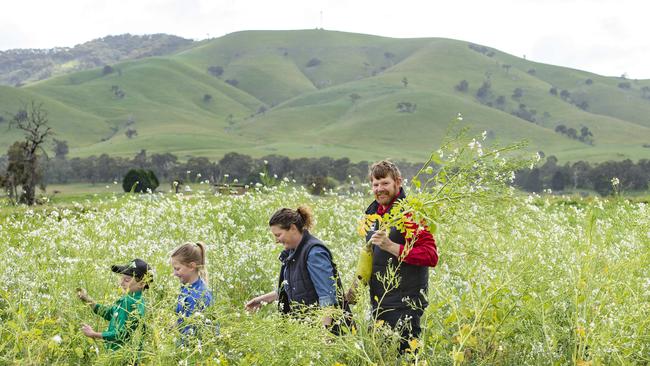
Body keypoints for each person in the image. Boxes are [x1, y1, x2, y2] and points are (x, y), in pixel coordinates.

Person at [350, 160, 438, 353]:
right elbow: (371, 260)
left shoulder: (411, 214)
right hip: (379, 305)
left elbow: (431, 256)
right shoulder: (372, 215)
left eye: (385, 183)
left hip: (405, 306)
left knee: (406, 358)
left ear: (398, 182)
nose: (379, 189)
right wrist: (355, 289)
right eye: (375, 184)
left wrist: (391, 246)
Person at [245, 206, 349, 332]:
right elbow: (294, 288)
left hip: (326, 330)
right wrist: (260, 300)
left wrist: (326, 334)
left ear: (293, 228)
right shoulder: (292, 253)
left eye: (278, 235)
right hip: (306, 329)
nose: (276, 240)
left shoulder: (314, 253)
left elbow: (327, 297)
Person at [77, 258, 152, 351]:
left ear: (142, 284)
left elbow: (122, 334)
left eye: (127, 280)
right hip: (118, 354)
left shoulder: (133, 303)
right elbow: (109, 313)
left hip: (125, 357)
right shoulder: (127, 299)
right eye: (121, 278)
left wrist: (94, 334)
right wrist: (87, 299)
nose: (121, 283)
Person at [170, 242, 214, 336]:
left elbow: (193, 333)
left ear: (191, 266)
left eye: (177, 269)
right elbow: (183, 319)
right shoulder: (187, 287)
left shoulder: (197, 296)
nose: (174, 273)